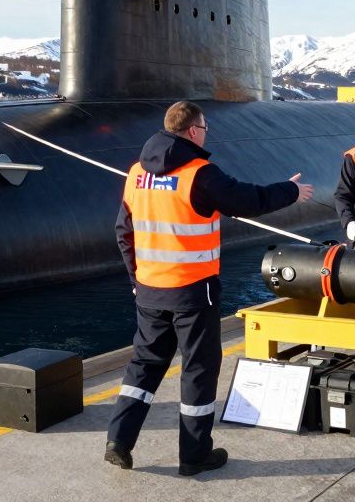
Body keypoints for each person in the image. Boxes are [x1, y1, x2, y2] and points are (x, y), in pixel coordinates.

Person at [105, 101, 314, 475]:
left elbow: (124, 231)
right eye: (205, 127)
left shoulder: (137, 173)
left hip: (150, 291)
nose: (206, 134)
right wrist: (290, 191)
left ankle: (119, 441)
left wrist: (136, 279)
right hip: (191, 293)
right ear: (192, 131)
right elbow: (248, 200)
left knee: (143, 366)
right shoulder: (199, 174)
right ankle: (194, 455)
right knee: (199, 371)